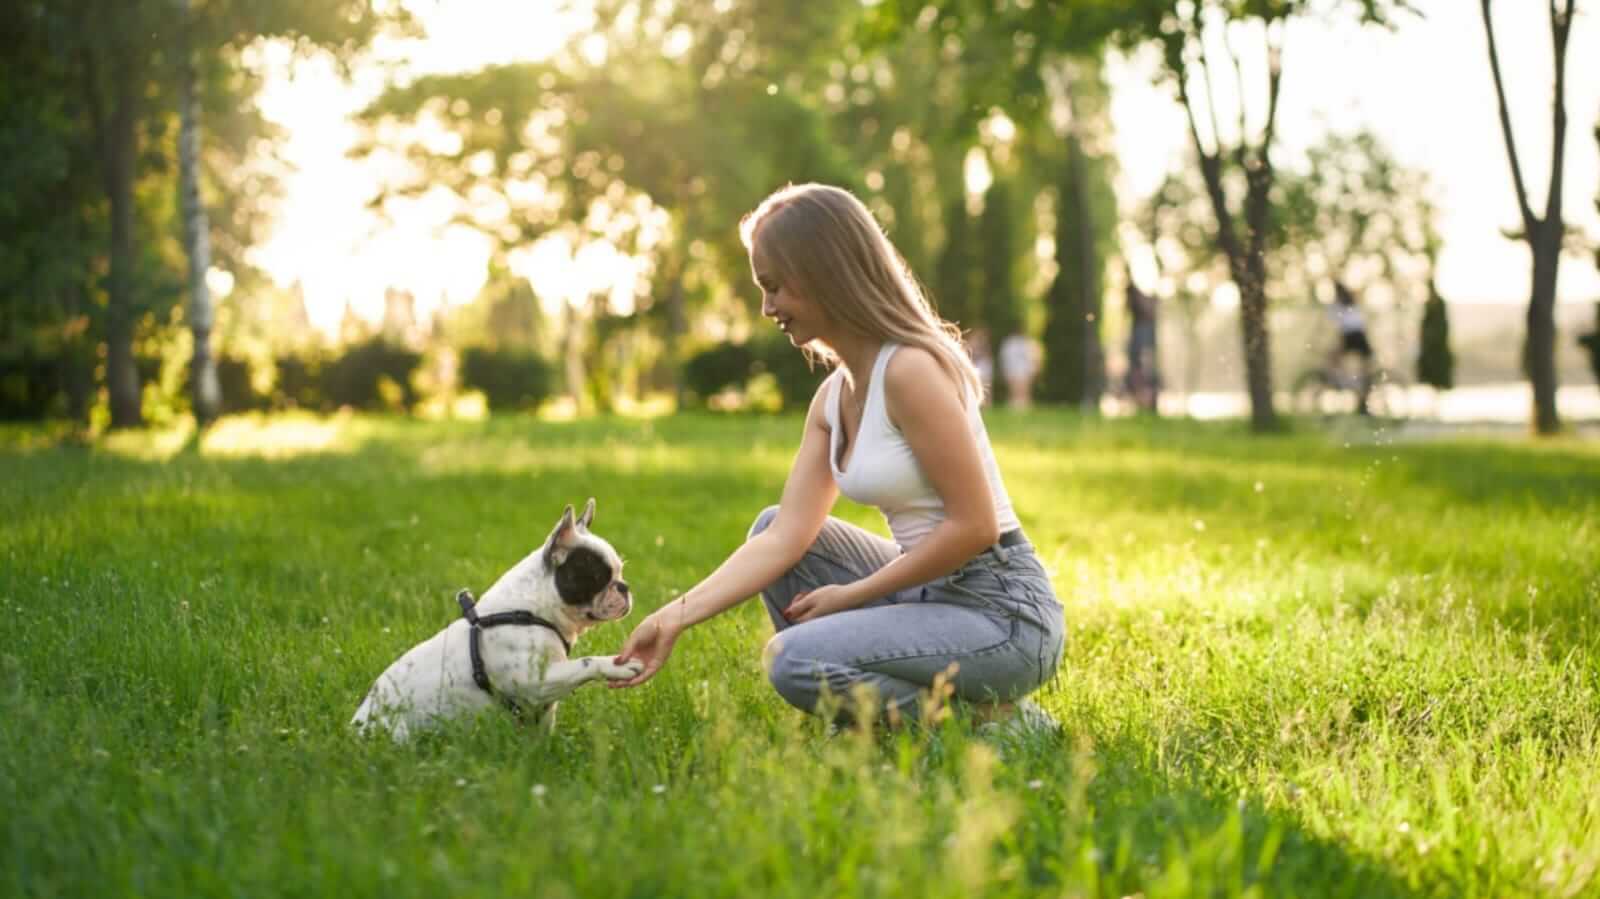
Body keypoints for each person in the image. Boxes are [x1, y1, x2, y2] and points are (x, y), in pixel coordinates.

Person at [610, 184, 1065, 735]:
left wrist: (851, 596)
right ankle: (870, 717)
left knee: (793, 659)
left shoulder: (910, 371)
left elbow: (974, 526)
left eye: (774, 287)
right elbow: (785, 542)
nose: (766, 307)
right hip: (930, 591)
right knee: (772, 527)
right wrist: (672, 617)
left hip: (1003, 613)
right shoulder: (833, 397)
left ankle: (998, 726)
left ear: (825, 273)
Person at [1329, 281, 1374, 413]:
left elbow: (1338, 327)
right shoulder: (1352, 302)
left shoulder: (1337, 305)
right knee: (1365, 368)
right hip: (1360, 336)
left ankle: (1344, 383)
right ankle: (1361, 391)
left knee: (1333, 359)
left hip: (1351, 336)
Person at [1123, 277, 1160, 413]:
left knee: (1143, 369)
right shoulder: (1143, 303)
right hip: (1140, 339)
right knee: (1140, 368)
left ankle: (1145, 401)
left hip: (1141, 339)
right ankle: (1141, 401)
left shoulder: (1144, 327)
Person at [997, 332, 1041, 409]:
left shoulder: (1029, 342)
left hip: (1025, 371)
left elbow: (1035, 358)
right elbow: (1005, 358)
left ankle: (1025, 407)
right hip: (1013, 370)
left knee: (1024, 392)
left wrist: (1034, 370)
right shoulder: (1010, 343)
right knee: (1014, 392)